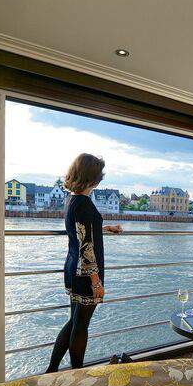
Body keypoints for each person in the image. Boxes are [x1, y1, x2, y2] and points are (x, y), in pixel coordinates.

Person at [46, 154, 122, 373]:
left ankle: (52, 369)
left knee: (74, 322)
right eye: (99, 176)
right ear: (92, 178)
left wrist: (105, 228)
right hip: (86, 275)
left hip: (73, 269)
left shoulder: (72, 200)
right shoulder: (85, 204)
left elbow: (82, 233)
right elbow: (86, 246)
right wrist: (96, 282)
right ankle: (77, 373)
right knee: (81, 326)